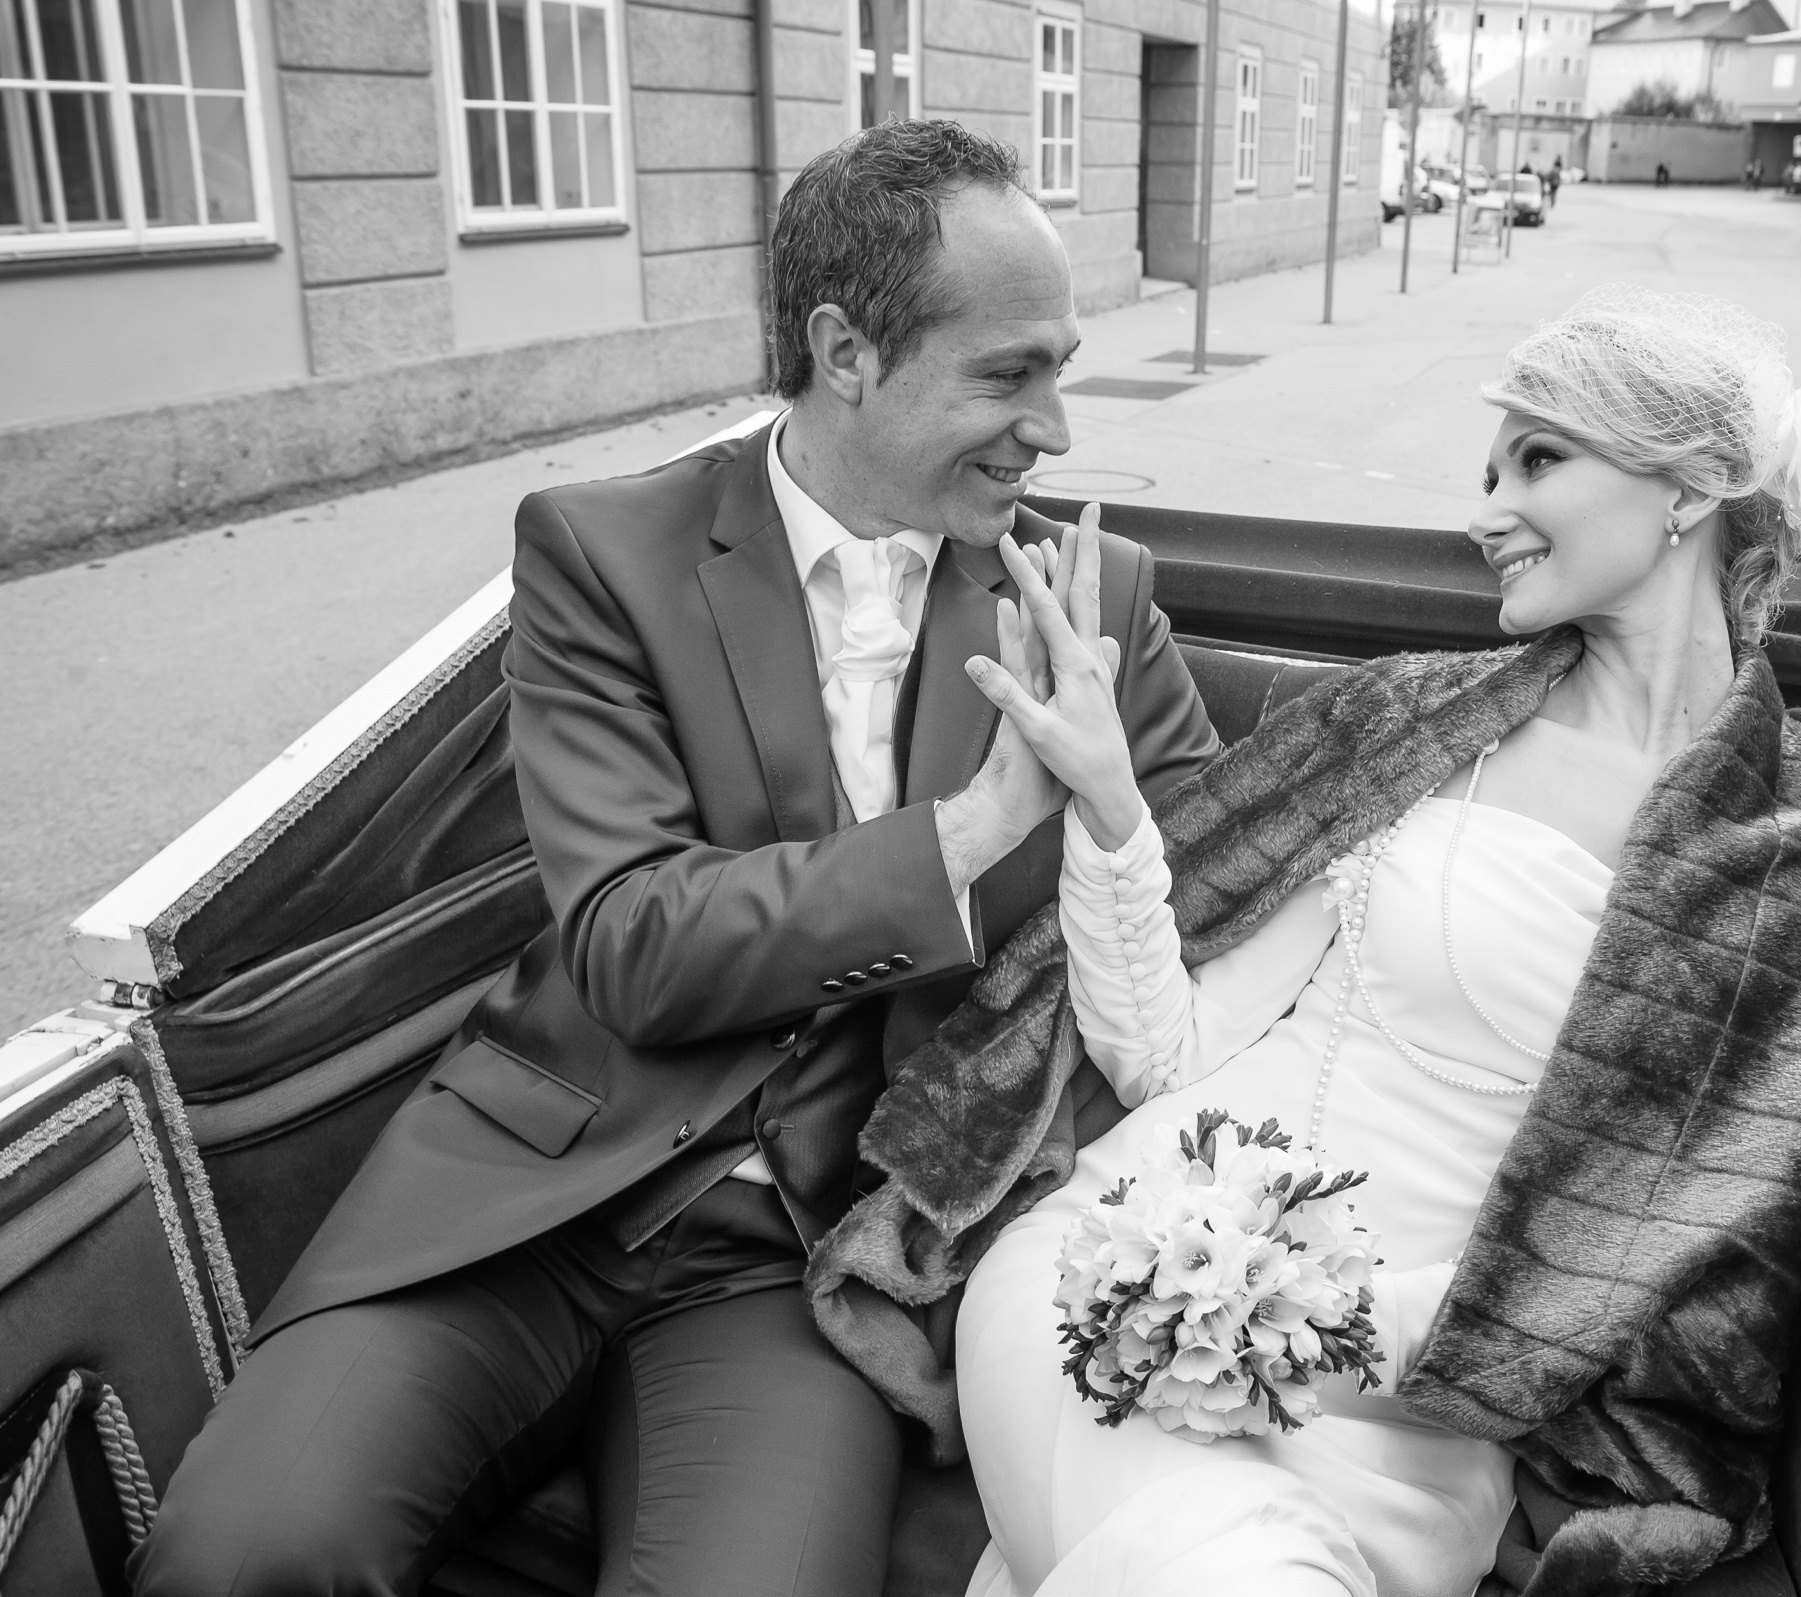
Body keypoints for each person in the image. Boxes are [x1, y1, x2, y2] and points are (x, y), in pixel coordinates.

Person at [130, 121, 1220, 1597]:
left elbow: (1232, 892)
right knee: (241, 1555)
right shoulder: (601, 554)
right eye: (1007, 374)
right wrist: (979, 826)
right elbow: (636, 946)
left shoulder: (1102, 604)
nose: (1056, 429)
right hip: (528, 1197)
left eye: (1063, 368)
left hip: (806, 1265)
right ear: (846, 352)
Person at [807, 287, 1801, 1596]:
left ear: (1696, 486)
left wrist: (1305, 1325)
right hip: (1112, 1272)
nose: (1485, 512)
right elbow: (1165, 1052)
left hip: (1416, 1411)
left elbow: (1665, 1252)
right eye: (1488, 469)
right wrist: (1109, 802)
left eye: (1538, 461)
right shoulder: (1407, 723)